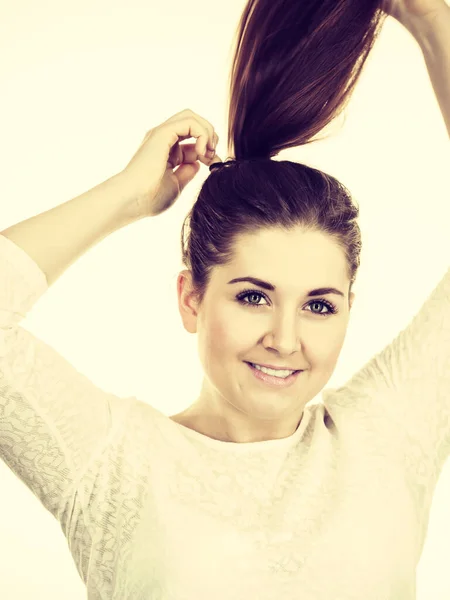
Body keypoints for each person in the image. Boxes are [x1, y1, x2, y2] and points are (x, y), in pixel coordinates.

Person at [0, 0, 449, 597]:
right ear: (191, 298)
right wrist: (127, 196)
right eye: (253, 297)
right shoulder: (111, 461)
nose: (285, 340)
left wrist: (433, 19)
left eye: (319, 305)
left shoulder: (388, 435)